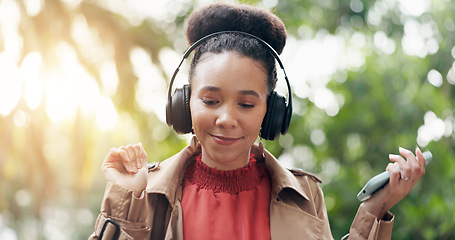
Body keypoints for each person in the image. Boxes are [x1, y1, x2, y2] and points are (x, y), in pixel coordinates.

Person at [89, 2, 426, 240]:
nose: (226, 119)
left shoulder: (305, 197)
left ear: (272, 112)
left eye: (246, 104)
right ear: (183, 103)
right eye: (210, 100)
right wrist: (124, 201)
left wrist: (375, 210)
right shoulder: (144, 193)